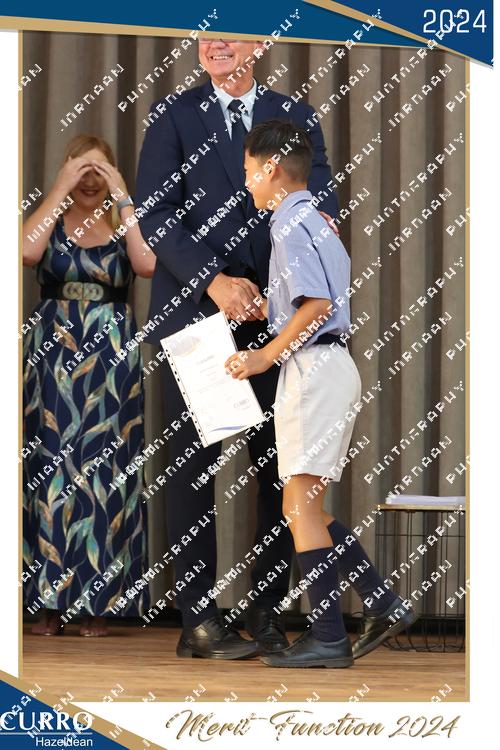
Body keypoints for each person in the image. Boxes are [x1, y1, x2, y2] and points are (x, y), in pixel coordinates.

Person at [135, 38, 340, 659]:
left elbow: (321, 203)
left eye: (232, 27)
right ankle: (198, 621)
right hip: (197, 315)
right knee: (190, 472)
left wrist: (281, 286)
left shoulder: (294, 115)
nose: (216, 41)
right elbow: (156, 214)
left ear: (259, 42)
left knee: (281, 469)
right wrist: (216, 283)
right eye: (207, 30)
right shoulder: (173, 115)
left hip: (275, 319)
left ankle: (268, 612)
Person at [225, 120, 417, 667]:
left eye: (249, 172)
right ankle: (381, 603)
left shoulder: (289, 224)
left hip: (313, 369)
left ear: (271, 169)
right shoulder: (314, 218)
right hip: (325, 366)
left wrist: (264, 354)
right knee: (303, 505)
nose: (247, 183)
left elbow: (318, 306)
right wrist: (273, 310)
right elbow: (313, 301)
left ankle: (331, 635)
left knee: (300, 506)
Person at [23, 134, 155, 637]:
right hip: (52, 358)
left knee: (107, 472)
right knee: (50, 471)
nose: (91, 180)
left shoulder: (124, 222)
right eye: (82, 170)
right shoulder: (50, 219)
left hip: (110, 361)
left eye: (101, 170)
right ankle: (47, 602)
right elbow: (25, 252)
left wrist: (124, 198)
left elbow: (146, 264)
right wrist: (59, 188)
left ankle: (101, 602)